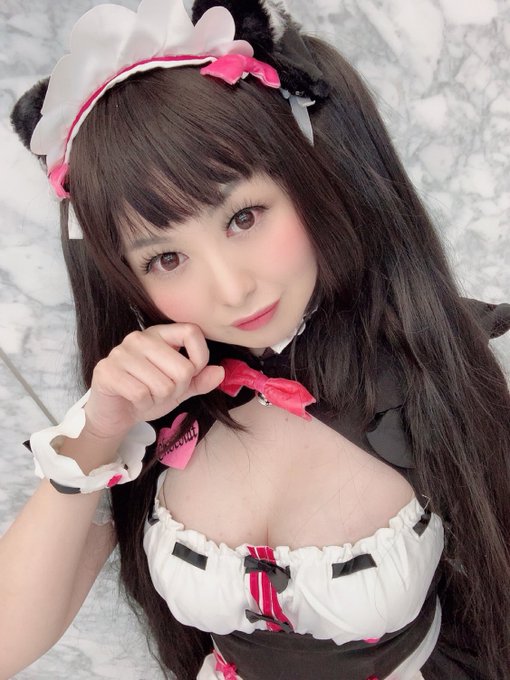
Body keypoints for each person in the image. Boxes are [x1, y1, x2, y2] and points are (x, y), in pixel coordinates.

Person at [2, 0, 510, 678]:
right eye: (166, 258)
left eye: (244, 217)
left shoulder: (438, 365)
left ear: (312, 176)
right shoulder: (150, 413)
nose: (232, 289)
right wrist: (99, 431)